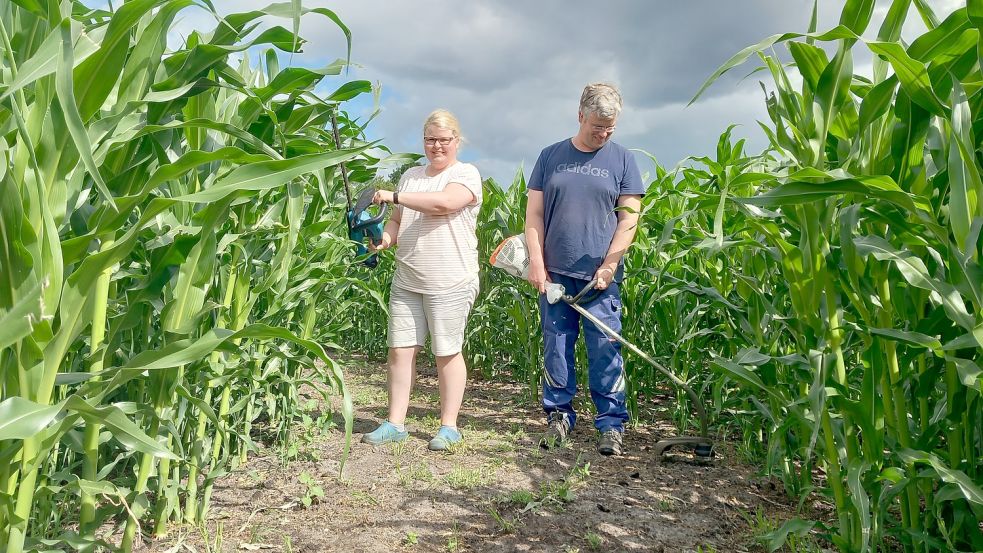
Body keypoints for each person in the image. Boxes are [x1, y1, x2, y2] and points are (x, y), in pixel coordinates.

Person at [524, 83, 644, 456]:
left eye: (610, 128)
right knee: (556, 347)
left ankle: (611, 424)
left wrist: (610, 265)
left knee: (606, 349)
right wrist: (537, 266)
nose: (604, 135)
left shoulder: (622, 160)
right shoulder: (550, 157)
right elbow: (534, 217)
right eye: (597, 127)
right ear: (580, 115)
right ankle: (558, 417)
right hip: (556, 275)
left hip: (600, 279)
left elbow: (629, 219)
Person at [361, 109, 482, 451]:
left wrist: (391, 196)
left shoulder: (466, 174)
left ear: (457, 141)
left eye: (444, 140)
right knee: (400, 351)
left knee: (446, 351)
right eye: (430, 139)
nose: (436, 146)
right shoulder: (411, 176)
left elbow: (443, 204)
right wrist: (384, 239)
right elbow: (398, 221)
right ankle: (395, 423)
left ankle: (449, 426)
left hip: (450, 280)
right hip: (408, 277)